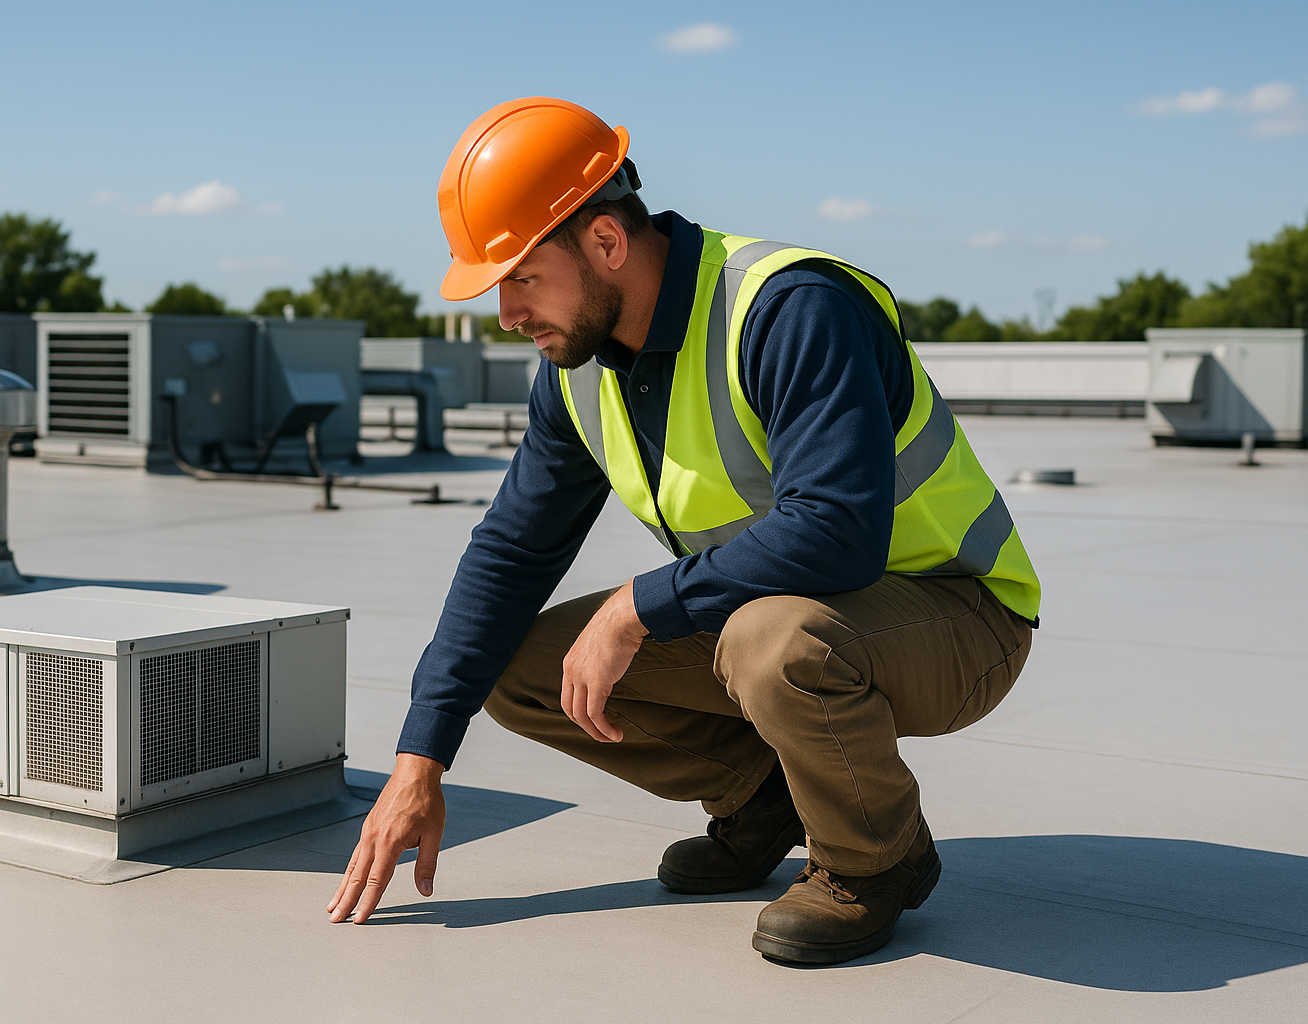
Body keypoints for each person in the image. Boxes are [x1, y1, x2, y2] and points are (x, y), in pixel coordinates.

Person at [328, 97, 1040, 966]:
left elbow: (838, 531)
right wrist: (419, 758)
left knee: (770, 642)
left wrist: (635, 606)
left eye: (521, 276)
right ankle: (765, 798)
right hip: (804, 617)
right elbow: (511, 552)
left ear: (604, 242)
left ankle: (874, 863)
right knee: (524, 665)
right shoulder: (579, 372)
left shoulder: (787, 307)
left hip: (958, 613)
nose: (508, 315)